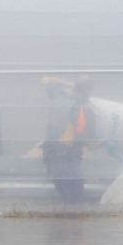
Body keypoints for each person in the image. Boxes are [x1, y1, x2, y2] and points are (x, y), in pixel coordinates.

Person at [41, 74, 98, 205]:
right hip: (69, 161)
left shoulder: (59, 97)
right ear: (90, 92)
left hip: (51, 158)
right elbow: (92, 145)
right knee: (76, 203)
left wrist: (73, 86)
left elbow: (45, 80)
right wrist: (107, 142)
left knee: (64, 199)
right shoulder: (87, 111)